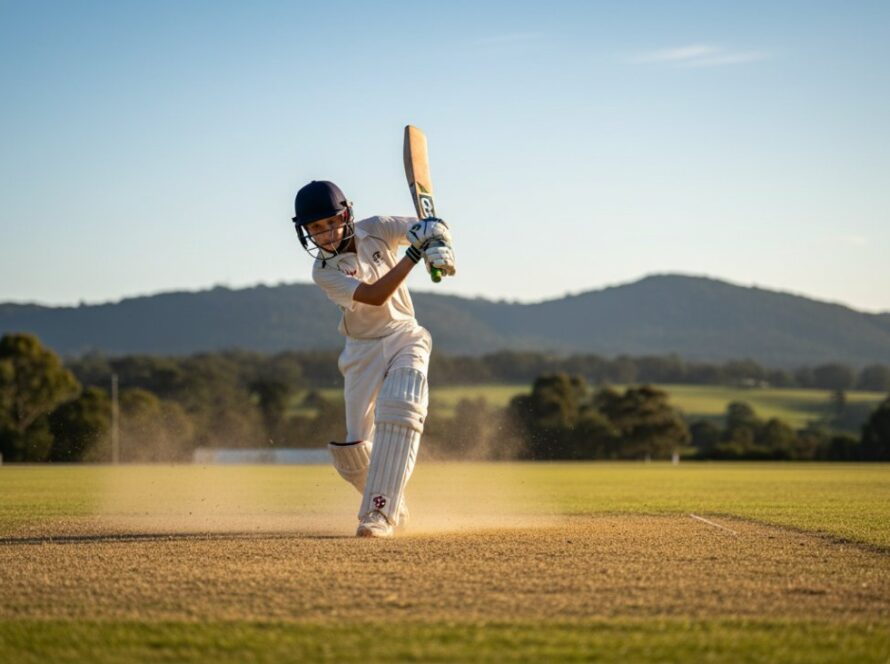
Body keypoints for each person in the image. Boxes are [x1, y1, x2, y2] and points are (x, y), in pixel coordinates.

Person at [291, 180, 455, 537]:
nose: (325, 234)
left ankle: (378, 514)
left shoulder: (377, 228)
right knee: (354, 455)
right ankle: (394, 500)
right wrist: (416, 254)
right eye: (314, 229)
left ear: (347, 214)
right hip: (361, 349)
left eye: (330, 222)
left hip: (404, 335)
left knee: (400, 407)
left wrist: (439, 241)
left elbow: (427, 227)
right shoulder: (325, 271)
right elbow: (376, 295)